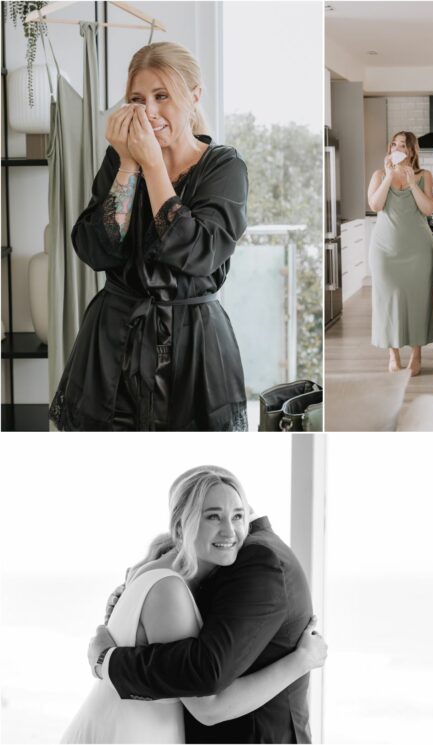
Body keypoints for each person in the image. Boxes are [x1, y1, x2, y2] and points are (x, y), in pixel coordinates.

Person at [50, 42, 249, 431]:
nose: (150, 111)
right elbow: (96, 249)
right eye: (138, 100)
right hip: (113, 340)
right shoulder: (121, 157)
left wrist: (153, 164)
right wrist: (127, 164)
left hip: (194, 346)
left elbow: (197, 253)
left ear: (194, 96)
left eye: (162, 96)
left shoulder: (224, 166)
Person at [65, 466, 326, 743]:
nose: (230, 531)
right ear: (182, 526)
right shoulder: (171, 588)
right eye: (213, 516)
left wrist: (108, 660)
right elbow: (206, 698)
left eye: (237, 516)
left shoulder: (190, 573)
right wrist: (302, 661)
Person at [367, 131, 433, 375]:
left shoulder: (424, 175)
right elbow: (375, 205)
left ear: (411, 150)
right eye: (394, 144)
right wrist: (388, 177)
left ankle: (416, 354)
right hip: (385, 250)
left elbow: (428, 209)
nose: (397, 148)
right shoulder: (378, 175)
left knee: (418, 301)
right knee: (387, 300)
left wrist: (411, 182)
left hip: (417, 250)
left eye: (402, 145)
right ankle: (393, 354)